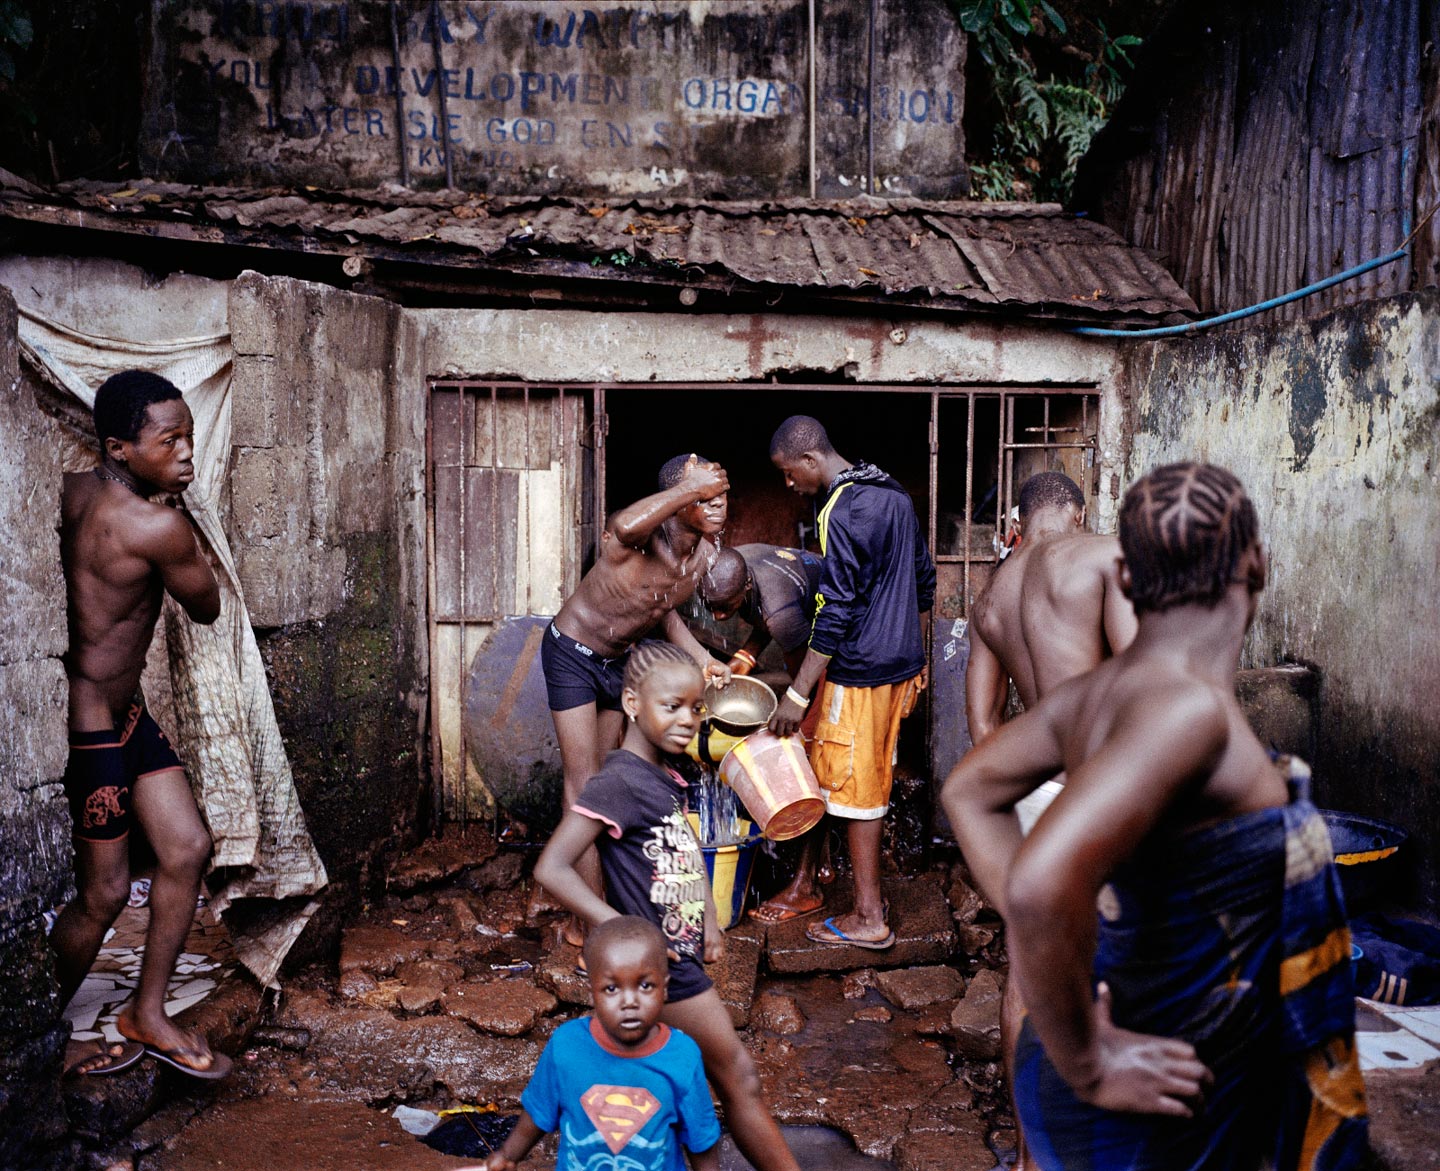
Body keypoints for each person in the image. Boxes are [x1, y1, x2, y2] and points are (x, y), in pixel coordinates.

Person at [942, 462, 1367, 1170]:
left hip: (1137, 1037)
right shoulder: (1184, 708)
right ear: (1257, 563)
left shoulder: (1095, 698)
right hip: (1164, 1085)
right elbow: (1043, 885)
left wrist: (1075, 943)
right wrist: (1090, 1060)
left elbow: (969, 788)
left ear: (1130, 578)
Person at [535, 642, 801, 1171]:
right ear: (632, 703)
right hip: (665, 972)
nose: (688, 720)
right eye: (672, 706)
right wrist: (623, 928)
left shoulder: (663, 778)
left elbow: (683, 846)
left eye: (697, 708)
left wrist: (708, 918)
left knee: (683, 1089)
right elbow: (552, 867)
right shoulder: (618, 782)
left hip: (677, 957)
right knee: (738, 1076)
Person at [52, 370, 230, 1080]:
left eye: (190, 436)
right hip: (91, 722)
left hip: (120, 711)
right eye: (171, 441)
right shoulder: (159, 525)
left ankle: (146, 1011)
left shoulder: (70, 492)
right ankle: (35, 1038)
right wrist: (185, 526)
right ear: (122, 448)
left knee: (186, 846)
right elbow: (209, 605)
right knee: (103, 893)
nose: (188, 454)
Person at [964, 470, 1138, 1171]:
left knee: (1025, 978)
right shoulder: (1103, 556)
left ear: (1021, 519)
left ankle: (1034, 1155)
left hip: (1034, 795)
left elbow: (982, 723)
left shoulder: (993, 596)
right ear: (1078, 509)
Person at [542, 454, 732, 946]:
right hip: (574, 653)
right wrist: (687, 487)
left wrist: (700, 658)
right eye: (702, 499)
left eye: (720, 498)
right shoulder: (636, 539)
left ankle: (601, 898)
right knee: (582, 785)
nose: (715, 507)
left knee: (606, 784)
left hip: (618, 662)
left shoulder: (704, 553)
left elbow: (662, 608)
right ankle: (590, 920)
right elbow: (623, 523)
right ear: (679, 504)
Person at [767, 416, 934, 950]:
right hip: (900, 668)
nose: (790, 485)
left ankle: (868, 917)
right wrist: (920, 653)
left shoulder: (841, 510)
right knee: (872, 777)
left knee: (855, 791)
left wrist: (798, 693)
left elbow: (836, 609)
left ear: (811, 461)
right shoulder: (894, 493)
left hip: (859, 672)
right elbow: (923, 579)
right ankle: (833, 892)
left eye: (790, 474)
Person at [470, 916, 721, 1171]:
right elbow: (538, 1113)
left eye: (645, 985)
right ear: (592, 992)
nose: (629, 1002)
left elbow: (701, 1140)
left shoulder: (682, 1056)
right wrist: (508, 1156)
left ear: (664, 988)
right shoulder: (566, 1046)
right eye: (612, 989)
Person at [698, 544, 830, 924]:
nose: (719, 615)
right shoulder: (733, 567)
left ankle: (808, 882)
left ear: (746, 586)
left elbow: (808, 676)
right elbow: (759, 617)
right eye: (712, 606)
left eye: (727, 606)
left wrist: (799, 716)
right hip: (796, 607)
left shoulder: (783, 615)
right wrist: (740, 663)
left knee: (808, 759)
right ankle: (820, 865)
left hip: (833, 647)